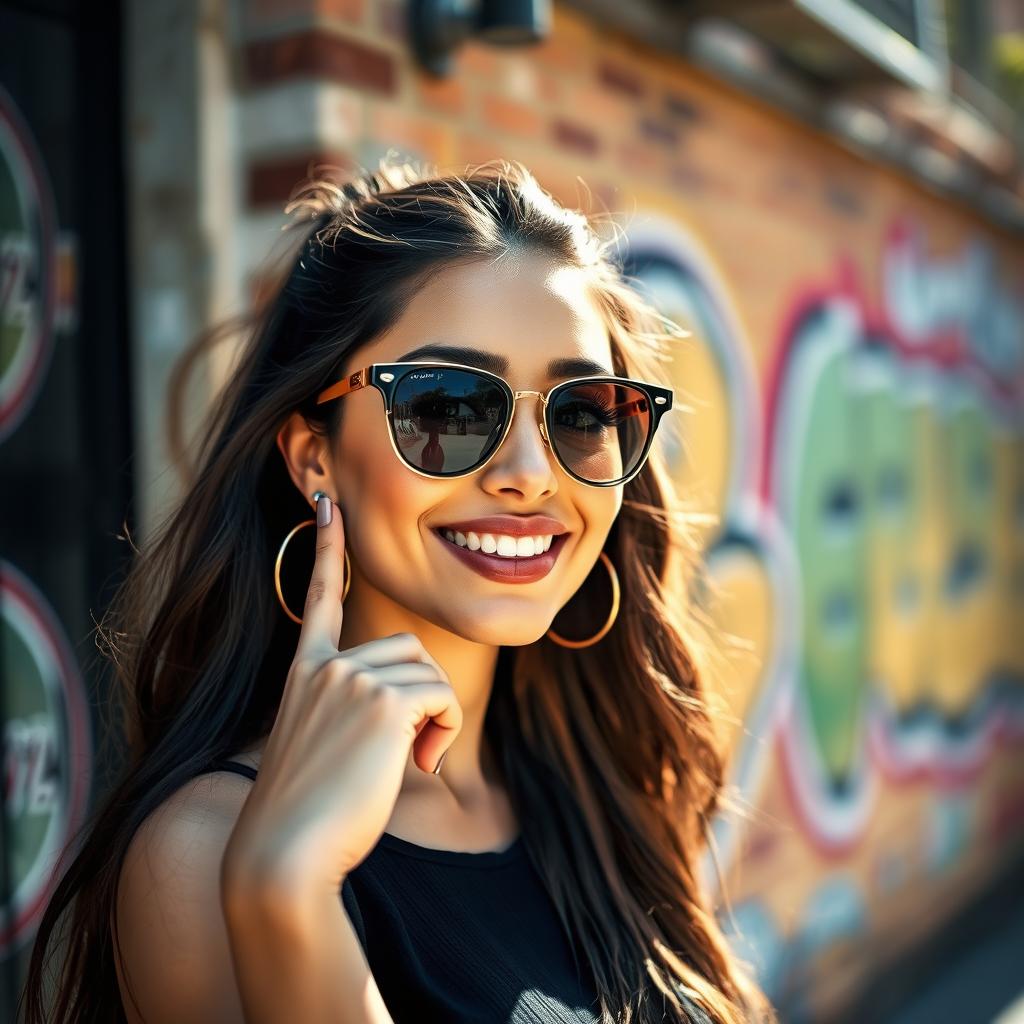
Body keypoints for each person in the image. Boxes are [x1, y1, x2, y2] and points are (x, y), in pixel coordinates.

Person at [19, 158, 774, 1024]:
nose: (531, 477)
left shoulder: (596, 783)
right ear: (314, 457)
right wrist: (288, 893)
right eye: (449, 407)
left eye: (580, 412)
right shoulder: (204, 853)